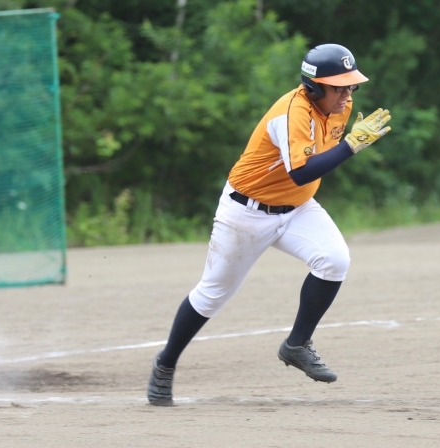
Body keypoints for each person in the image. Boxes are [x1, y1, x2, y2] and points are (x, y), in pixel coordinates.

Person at [147, 43, 392, 406]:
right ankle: (165, 364)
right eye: (339, 87)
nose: (347, 93)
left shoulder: (340, 107)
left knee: (334, 260)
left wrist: (348, 142)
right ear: (314, 87)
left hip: (297, 209)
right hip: (246, 213)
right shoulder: (292, 112)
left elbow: (314, 166)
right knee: (213, 294)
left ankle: (297, 344)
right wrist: (352, 146)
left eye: (351, 85)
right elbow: (301, 172)